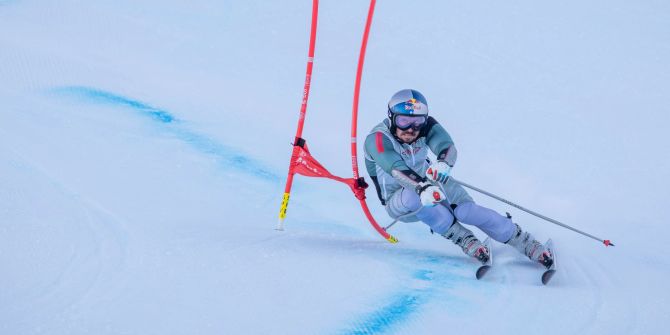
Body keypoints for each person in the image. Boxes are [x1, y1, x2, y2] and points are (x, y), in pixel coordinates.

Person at [363, 89, 553, 268]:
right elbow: (395, 167)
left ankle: (527, 243)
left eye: (418, 122)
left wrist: (444, 164)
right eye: (404, 121)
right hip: (400, 201)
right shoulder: (377, 139)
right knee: (415, 197)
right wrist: (421, 187)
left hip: (430, 183)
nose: (411, 129)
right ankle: (463, 238)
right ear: (392, 117)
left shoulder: (425, 127)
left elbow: (446, 146)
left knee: (466, 211)